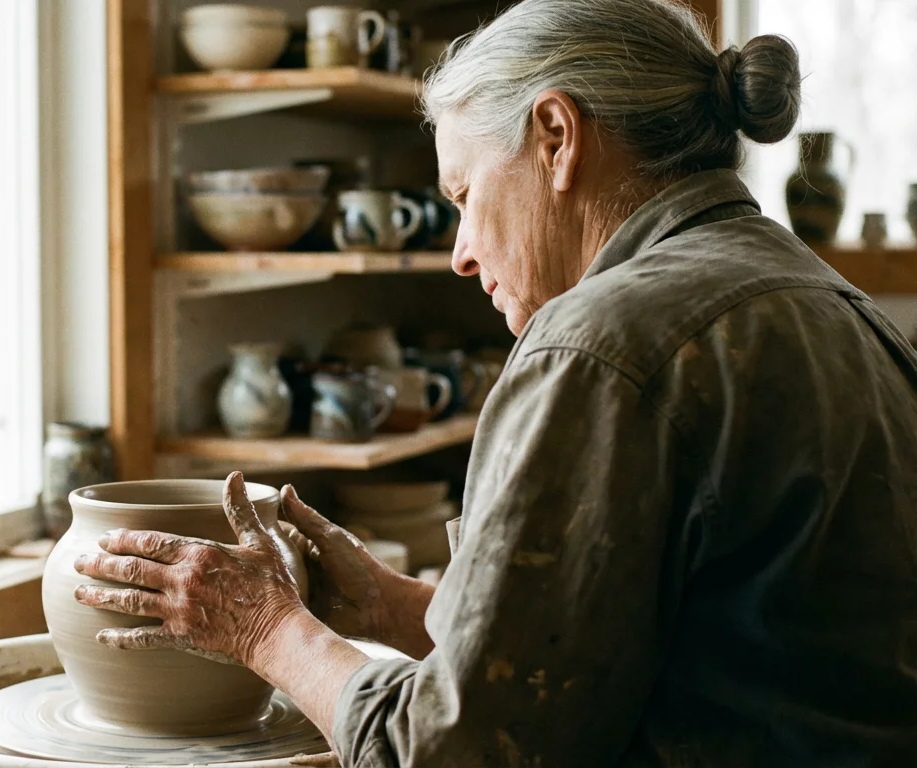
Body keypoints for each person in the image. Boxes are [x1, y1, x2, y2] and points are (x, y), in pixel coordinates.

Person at [73, 0, 917, 764]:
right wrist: (398, 610)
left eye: (466, 194)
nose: (461, 253)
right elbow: (699, 643)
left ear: (556, 137)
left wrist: (266, 630)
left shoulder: (599, 343)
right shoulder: (842, 307)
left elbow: (455, 755)